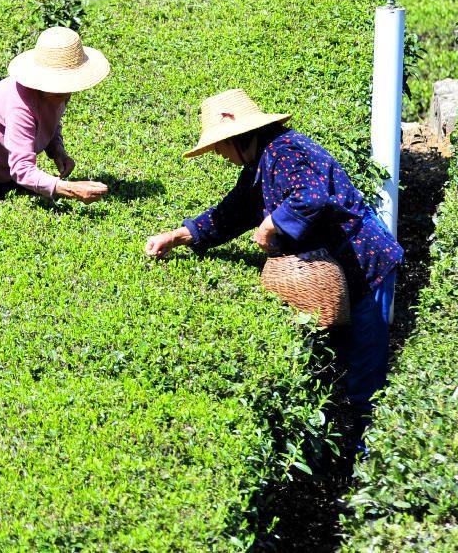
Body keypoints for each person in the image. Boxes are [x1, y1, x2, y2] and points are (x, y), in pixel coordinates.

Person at [145, 89, 404, 431]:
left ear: (237, 137)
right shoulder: (260, 161)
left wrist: (271, 224)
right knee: (347, 354)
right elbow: (232, 213)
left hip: (366, 263)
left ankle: (368, 442)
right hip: (339, 266)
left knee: (366, 364)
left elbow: (311, 197)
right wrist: (177, 236)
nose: (219, 154)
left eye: (219, 146)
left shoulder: (286, 151)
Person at [0, 27, 112, 235]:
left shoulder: (56, 93)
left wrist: (57, 150)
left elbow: (50, 121)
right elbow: (22, 170)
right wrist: (71, 189)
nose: (67, 92)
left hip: (2, 163)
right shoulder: (20, 108)